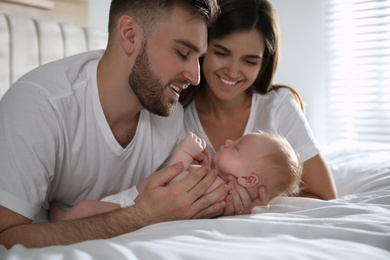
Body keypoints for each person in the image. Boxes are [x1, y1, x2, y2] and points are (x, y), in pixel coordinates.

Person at [0, 0, 224, 249]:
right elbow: (4, 237)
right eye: (183, 53)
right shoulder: (39, 105)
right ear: (129, 35)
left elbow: (179, 203)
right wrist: (141, 217)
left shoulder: (172, 120)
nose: (195, 77)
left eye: (198, 59)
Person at [180, 0, 338, 215]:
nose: (233, 72)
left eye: (250, 61)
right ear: (202, 47)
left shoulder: (278, 107)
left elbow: (326, 196)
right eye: (222, 53)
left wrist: (263, 202)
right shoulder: (176, 110)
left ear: (263, 64)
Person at [50, 131, 302, 221]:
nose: (228, 140)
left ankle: (62, 221)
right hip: (133, 197)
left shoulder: (216, 188)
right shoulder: (218, 184)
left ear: (248, 179)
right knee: (103, 199)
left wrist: (185, 153)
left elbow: (172, 178)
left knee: (87, 209)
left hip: (132, 205)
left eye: (236, 147)